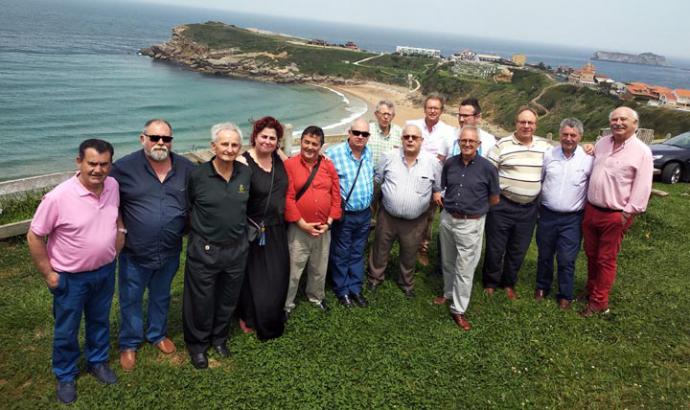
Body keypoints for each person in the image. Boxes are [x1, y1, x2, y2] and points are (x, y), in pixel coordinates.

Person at [27, 139, 121, 404]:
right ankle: (66, 374)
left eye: (104, 164)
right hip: (70, 277)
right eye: (92, 163)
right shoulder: (58, 197)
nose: (98, 170)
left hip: (104, 271)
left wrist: (120, 233)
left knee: (99, 320)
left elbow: (116, 214)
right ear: (78, 162)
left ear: (110, 165)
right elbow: (35, 236)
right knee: (67, 328)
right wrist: (48, 273)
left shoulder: (113, 186)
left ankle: (97, 361)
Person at [110, 119, 195, 371]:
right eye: (155, 137)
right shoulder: (122, 168)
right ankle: (129, 342)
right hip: (135, 251)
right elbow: (106, 200)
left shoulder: (186, 168)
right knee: (131, 297)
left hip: (169, 250)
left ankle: (157, 333)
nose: (160, 143)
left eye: (166, 139)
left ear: (171, 141)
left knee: (161, 295)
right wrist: (120, 226)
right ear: (142, 138)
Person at [183, 122, 251, 369]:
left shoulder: (245, 174)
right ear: (214, 146)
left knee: (227, 298)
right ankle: (198, 345)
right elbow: (188, 206)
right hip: (205, 249)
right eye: (224, 144)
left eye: (234, 144)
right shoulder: (198, 176)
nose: (229, 149)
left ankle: (220, 338)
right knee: (201, 299)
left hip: (236, 249)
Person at [580, 107, 653, 317]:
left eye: (623, 119)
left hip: (615, 214)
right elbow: (595, 159)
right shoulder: (603, 142)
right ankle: (591, 291)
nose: (618, 123)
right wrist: (588, 147)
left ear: (635, 124)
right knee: (591, 255)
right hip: (592, 209)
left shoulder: (642, 152)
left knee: (606, 259)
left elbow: (642, 188)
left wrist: (626, 215)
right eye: (614, 119)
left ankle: (599, 302)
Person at [482, 106, 552, 299]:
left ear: (536, 125)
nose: (526, 126)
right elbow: (488, 174)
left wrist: (589, 148)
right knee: (496, 247)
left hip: (529, 209)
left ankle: (509, 283)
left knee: (518, 249)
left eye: (530, 122)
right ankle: (490, 282)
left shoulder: (545, 147)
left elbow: (562, 159)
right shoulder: (502, 145)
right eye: (523, 122)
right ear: (516, 123)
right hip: (502, 205)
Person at [434, 126, 500, 330]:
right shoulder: (450, 164)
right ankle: (448, 293)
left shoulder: (488, 168)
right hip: (447, 219)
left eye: (472, 141)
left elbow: (494, 198)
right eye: (464, 141)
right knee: (448, 261)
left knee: (465, 269)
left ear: (478, 144)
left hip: (471, 223)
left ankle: (458, 309)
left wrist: (476, 211)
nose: (467, 144)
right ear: (459, 143)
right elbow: (444, 187)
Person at [368, 124, 441, 297]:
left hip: (416, 220)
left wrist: (427, 214)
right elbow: (378, 181)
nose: (410, 140)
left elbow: (437, 188)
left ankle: (406, 283)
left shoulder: (433, 163)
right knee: (380, 249)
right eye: (406, 137)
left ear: (421, 141)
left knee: (409, 253)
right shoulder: (388, 157)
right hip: (388, 216)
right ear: (401, 139)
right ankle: (374, 278)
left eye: (414, 137)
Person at [237, 116, 290, 339]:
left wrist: (320, 158)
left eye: (272, 138)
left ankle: (272, 312)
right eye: (264, 137)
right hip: (254, 229)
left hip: (277, 227)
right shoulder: (243, 161)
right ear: (255, 137)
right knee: (253, 278)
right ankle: (247, 316)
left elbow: (296, 166)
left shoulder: (278, 157)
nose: (268, 141)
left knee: (279, 274)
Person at [283, 126, 341, 317]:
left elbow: (335, 195)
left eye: (314, 144)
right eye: (306, 142)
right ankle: (286, 304)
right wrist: (302, 224)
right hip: (299, 228)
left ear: (321, 146)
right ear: (300, 142)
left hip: (324, 227)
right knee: (293, 268)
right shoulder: (290, 165)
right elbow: (288, 198)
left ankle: (316, 297)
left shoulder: (328, 165)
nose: (309, 147)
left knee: (319, 267)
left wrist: (330, 222)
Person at [535, 118, 593, 310]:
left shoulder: (588, 160)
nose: (568, 139)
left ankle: (565, 294)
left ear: (580, 137)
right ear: (560, 135)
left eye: (573, 135)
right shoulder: (549, 155)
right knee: (545, 253)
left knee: (567, 258)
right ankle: (542, 286)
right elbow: (540, 179)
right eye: (565, 134)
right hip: (547, 214)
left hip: (572, 219)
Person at [327, 118, 374, 307]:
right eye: (356, 133)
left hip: (364, 214)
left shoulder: (368, 154)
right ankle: (342, 290)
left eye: (364, 134)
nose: (360, 137)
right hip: (345, 215)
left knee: (357, 251)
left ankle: (355, 287)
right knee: (341, 251)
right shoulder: (334, 153)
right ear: (349, 132)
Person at [406, 94, 455, 266]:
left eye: (436, 108)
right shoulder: (413, 126)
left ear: (441, 110)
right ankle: (406, 247)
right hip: (410, 177)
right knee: (407, 212)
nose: (432, 110)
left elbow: (444, 158)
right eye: (430, 107)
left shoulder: (449, 131)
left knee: (428, 218)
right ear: (424, 108)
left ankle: (423, 248)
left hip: (433, 180)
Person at [368, 100, 403, 164]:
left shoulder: (399, 132)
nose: (386, 117)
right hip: (370, 172)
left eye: (389, 114)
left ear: (393, 116)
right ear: (376, 114)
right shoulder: (368, 130)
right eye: (383, 114)